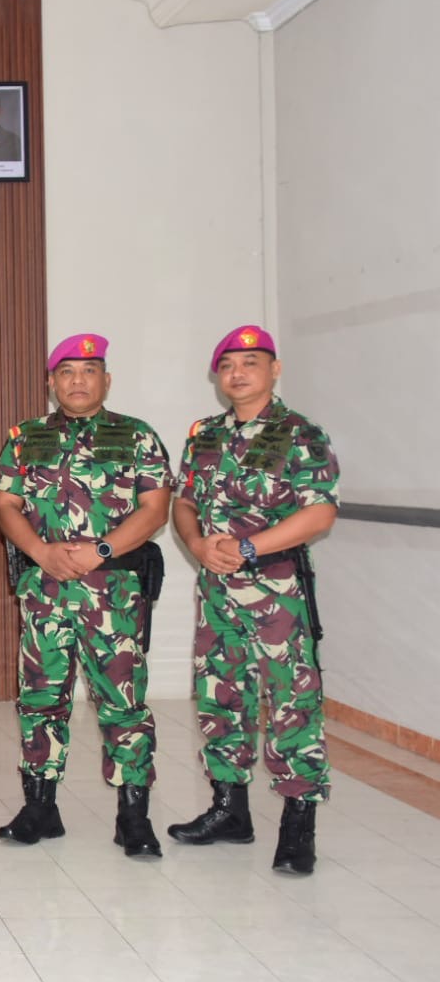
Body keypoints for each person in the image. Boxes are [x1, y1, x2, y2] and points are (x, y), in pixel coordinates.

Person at [167, 325, 339, 876]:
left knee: (291, 702)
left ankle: (298, 826)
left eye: (250, 363)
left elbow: (320, 512)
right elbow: (184, 502)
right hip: (217, 592)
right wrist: (196, 544)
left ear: (274, 370)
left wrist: (247, 547)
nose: (237, 373)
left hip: (277, 589)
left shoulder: (300, 433)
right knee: (220, 696)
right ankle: (230, 810)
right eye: (228, 366)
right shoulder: (205, 435)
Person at [0, 332, 170, 859]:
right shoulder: (25, 437)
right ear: (51, 382)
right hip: (45, 589)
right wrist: (40, 552)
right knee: (40, 697)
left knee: (122, 701)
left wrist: (101, 550)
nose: (77, 381)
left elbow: (155, 508)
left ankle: (133, 816)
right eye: (66, 372)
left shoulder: (136, 436)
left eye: (89, 371)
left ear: (106, 380)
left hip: (112, 592)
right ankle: (40, 807)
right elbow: (4, 505)